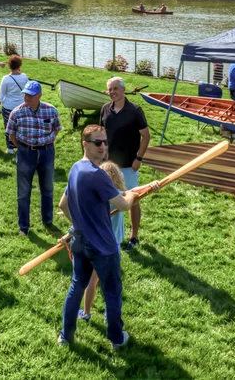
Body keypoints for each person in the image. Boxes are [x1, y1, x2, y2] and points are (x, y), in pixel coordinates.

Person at [57, 124, 159, 349]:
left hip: (80, 242)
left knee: (77, 286)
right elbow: (123, 205)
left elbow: (63, 205)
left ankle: (66, 336)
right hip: (103, 246)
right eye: (97, 143)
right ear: (85, 144)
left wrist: (77, 224)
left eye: (105, 142)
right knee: (112, 292)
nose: (103, 146)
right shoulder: (97, 174)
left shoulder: (75, 168)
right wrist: (132, 193)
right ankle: (116, 338)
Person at [100, 77, 150, 252]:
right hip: (108, 166)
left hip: (129, 165)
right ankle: (113, 236)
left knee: (133, 200)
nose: (112, 92)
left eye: (115, 89)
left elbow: (146, 137)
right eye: (110, 89)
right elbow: (101, 134)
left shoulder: (135, 110)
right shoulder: (105, 109)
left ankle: (134, 236)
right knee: (111, 201)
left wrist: (139, 159)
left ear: (123, 90)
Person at [6, 81, 61, 236]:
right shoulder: (17, 112)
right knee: (23, 192)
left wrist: (46, 141)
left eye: (30, 96)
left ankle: (48, 220)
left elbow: (57, 129)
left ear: (39, 96)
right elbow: (11, 134)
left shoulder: (51, 110)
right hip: (25, 153)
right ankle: (24, 227)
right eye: (25, 95)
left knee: (47, 189)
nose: (26, 98)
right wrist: (23, 147)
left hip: (46, 152)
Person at [74, 161, 126, 322]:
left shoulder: (98, 198)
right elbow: (134, 194)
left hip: (97, 244)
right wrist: (151, 186)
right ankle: (107, 315)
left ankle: (87, 313)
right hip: (111, 246)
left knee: (93, 281)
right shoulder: (121, 196)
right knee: (109, 284)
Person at [0, 54, 29, 154]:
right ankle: (22, 146)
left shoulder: (6, 79)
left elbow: (1, 95)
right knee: (21, 127)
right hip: (22, 106)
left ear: (9, 65)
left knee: (9, 127)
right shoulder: (24, 77)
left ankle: (10, 148)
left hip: (8, 107)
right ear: (19, 65)